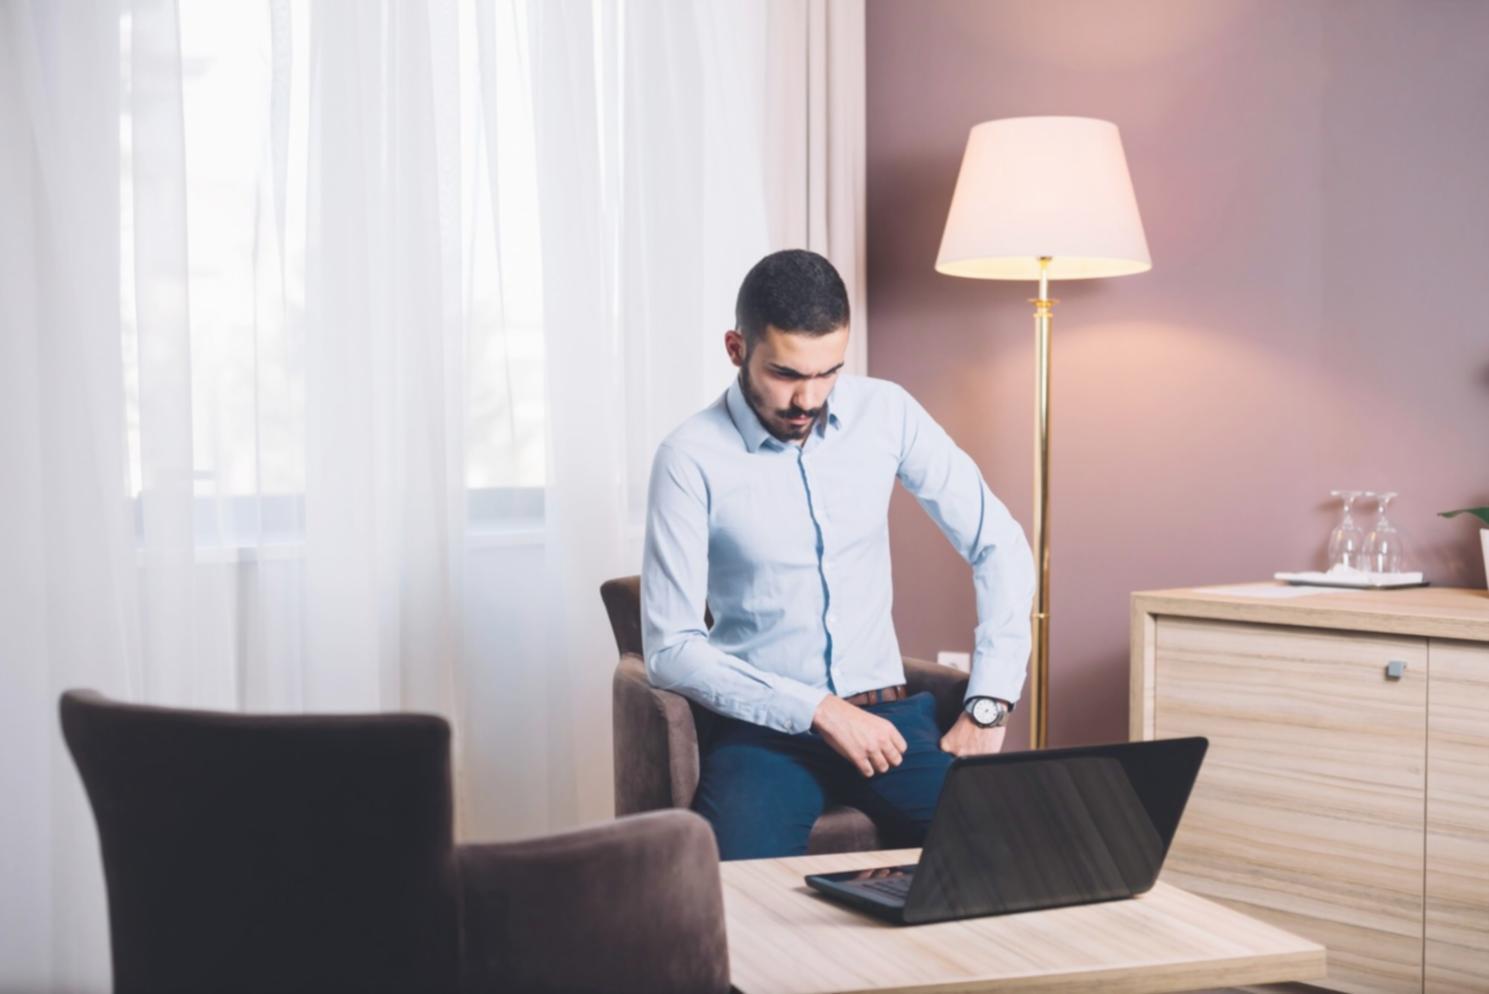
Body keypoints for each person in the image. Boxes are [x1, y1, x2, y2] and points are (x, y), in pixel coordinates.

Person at [641, 248, 1035, 860]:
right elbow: (670, 650)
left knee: (1012, 859)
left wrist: (988, 706)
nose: (809, 399)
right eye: (787, 374)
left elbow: (999, 543)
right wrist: (816, 709)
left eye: (828, 372)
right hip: (762, 734)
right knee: (733, 900)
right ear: (735, 348)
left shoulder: (888, 413)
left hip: (889, 724)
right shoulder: (689, 457)